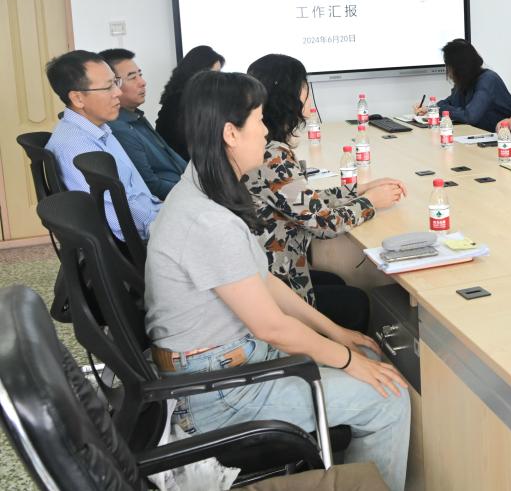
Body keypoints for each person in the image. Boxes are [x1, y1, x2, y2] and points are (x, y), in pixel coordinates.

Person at [145, 71, 410, 491]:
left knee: (367, 358)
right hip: (221, 392)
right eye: (258, 120)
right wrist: (346, 359)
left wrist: (336, 333)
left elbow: (264, 281)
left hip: (231, 363)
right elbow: (271, 327)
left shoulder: (205, 188)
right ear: (230, 133)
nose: (267, 132)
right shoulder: (208, 221)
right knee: (389, 397)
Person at [243, 54, 406, 332]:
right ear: (289, 95)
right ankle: (344, 351)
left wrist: (358, 189)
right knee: (356, 302)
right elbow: (324, 224)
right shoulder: (272, 156)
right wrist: (370, 202)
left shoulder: (266, 145)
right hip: (275, 282)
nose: (308, 92)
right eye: (303, 85)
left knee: (337, 282)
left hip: (271, 268)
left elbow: (303, 200)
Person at [44, 50, 162, 240]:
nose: (118, 92)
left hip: (153, 217)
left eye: (116, 82)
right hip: (144, 236)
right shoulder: (78, 147)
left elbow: (133, 192)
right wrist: (166, 222)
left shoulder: (97, 128)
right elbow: (120, 220)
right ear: (77, 98)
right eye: (108, 87)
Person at [98, 48, 187, 199]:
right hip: (173, 199)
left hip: (184, 186)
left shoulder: (135, 116)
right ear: (112, 85)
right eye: (132, 77)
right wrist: (196, 193)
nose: (142, 82)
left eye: (140, 75)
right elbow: (150, 185)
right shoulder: (120, 128)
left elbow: (172, 160)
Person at [412, 39, 511, 131]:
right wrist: (430, 108)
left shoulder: (488, 80)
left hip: (510, 139)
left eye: (448, 66)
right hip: (484, 135)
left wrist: (439, 109)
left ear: (459, 67)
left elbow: (470, 116)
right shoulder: (465, 81)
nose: (448, 72)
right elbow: (450, 102)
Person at [155, 44, 225, 160]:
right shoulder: (178, 102)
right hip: (185, 165)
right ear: (197, 73)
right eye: (214, 74)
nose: (218, 79)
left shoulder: (185, 97)